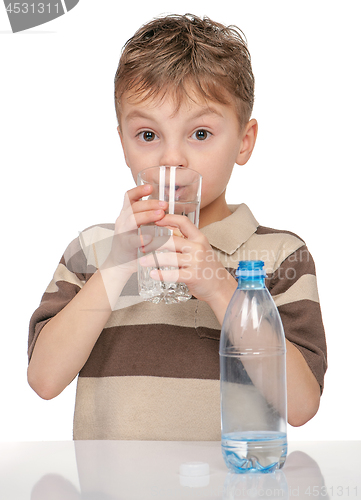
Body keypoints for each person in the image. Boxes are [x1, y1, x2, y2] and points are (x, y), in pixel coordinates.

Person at [28, 14, 327, 440]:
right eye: (148, 135)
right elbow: (43, 379)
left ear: (244, 141)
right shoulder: (93, 251)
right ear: (123, 145)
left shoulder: (280, 255)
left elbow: (299, 404)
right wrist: (115, 267)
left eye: (200, 132)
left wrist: (220, 287)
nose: (172, 159)